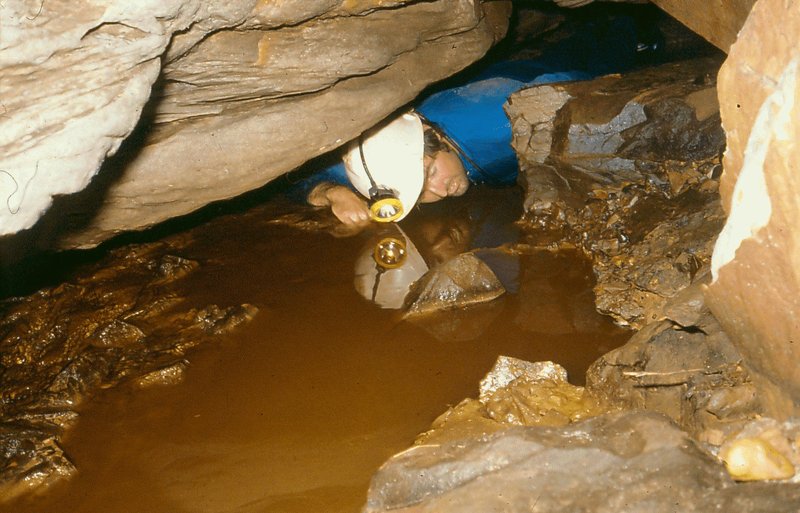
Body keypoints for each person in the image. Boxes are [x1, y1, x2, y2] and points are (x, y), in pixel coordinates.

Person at [297, 12, 654, 226]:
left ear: (431, 137)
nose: (440, 190)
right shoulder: (382, 156)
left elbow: (587, 99)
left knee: (606, 50)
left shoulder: (499, 115)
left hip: (568, 70)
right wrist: (334, 194)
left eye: (430, 174)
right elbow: (309, 177)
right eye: (421, 193)